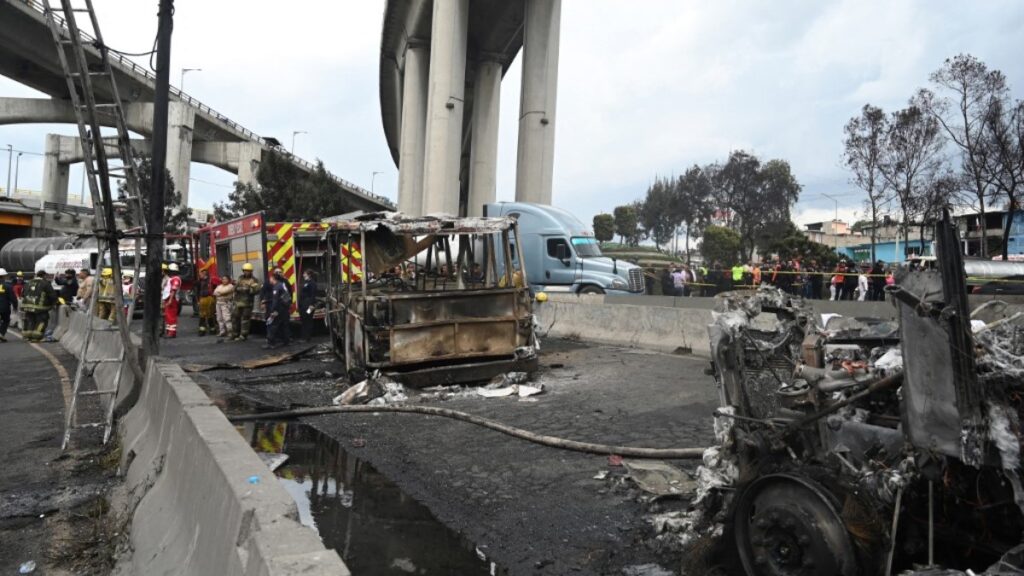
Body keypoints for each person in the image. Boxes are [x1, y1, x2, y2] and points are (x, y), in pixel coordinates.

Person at [20, 270, 56, 342]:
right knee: (41, 321)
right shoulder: (45, 283)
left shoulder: (28, 283)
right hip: (40, 307)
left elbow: (23, 294)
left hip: (27, 306)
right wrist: (54, 303)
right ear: (44, 276)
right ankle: (36, 337)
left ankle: (28, 336)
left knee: (30, 320)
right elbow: (52, 295)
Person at [231, 263, 261, 341]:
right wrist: (242, 288)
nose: (246, 272)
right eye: (245, 271)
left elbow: (256, 290)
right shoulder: (240, 278)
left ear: (251, 271)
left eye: (248, 271)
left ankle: (243, 335)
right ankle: (235, 334)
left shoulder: (254, 280)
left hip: (247, 303)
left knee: (245, 320)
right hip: (237, 302)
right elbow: (235, 288)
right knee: (235, 318)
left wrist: (246, 289)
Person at [264, 274, 291, 349]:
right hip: (285, 308)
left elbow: (275, 300)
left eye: (270, 279)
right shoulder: (282, 285)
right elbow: (286, 296)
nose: (269, 280)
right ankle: (286, 341)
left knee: (272, 325)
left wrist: (273, 311)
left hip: (279, 309)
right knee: (285, 325)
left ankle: (271, 343)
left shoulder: (276, 287)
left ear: (273, 279)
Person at [162, 262, 182, 338]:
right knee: (168, 315)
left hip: (172, 299)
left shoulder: (176, 279)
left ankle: (172, 333)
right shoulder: (171, 279)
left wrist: (170, 300)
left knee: (171, 316)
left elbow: (173, 290)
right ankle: (169, 331)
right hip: (168, 299)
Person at [297, 269, 317, 342]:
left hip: (309, 306)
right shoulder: (307, 282)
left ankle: (306, 338)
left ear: (309, 275)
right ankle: (304, 337)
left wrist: (311, 305)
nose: (303, 275)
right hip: (304, 305)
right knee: (304, 320)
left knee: (307, 320)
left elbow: (313, 295)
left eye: (304, 273)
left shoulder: (312, 283)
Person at [213, 274, 235, 340]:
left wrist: (220, 293)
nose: (224, 280)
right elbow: (215, 292)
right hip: (218, 303)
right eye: (223, 279)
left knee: (227, 318)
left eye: (225, 279)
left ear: (228, 280)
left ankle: (230, 332)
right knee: (219, 318)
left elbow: (224, 291)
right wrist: (220, 293)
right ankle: (222, 331)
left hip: (225, 303)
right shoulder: (219, 286)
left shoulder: (230, 286)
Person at [196, 268, 216, 336]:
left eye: (200, 274)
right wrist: (198, 300)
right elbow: (197, 291)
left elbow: (215, 288)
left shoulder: (211, 280)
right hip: (202, 299)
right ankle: (202, 330)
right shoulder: (199, 281)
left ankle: (212, 329)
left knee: (210, 314)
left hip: (209, 298)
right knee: (202, 315)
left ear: (204, 273)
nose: (199, 275)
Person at [0, 268, 16, 342]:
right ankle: (1, 333)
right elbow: (13, 298)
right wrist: (15, 306)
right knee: (6, 320)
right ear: (3, 276)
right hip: (4, 307)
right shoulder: (8, 286)